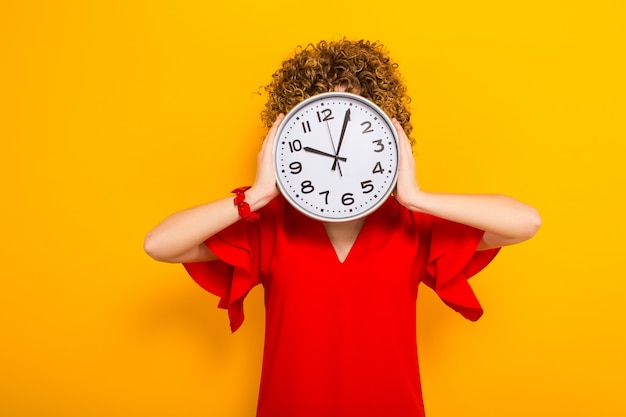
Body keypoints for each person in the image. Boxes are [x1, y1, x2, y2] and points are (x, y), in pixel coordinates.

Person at [144, 39, 541, 417]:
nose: (341, 144)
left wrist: (417, 197)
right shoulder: (266, 221)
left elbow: (525, 222)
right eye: (322, 121)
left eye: (354, 124)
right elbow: (160, 244)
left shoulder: (411, 222)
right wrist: (256, 194)